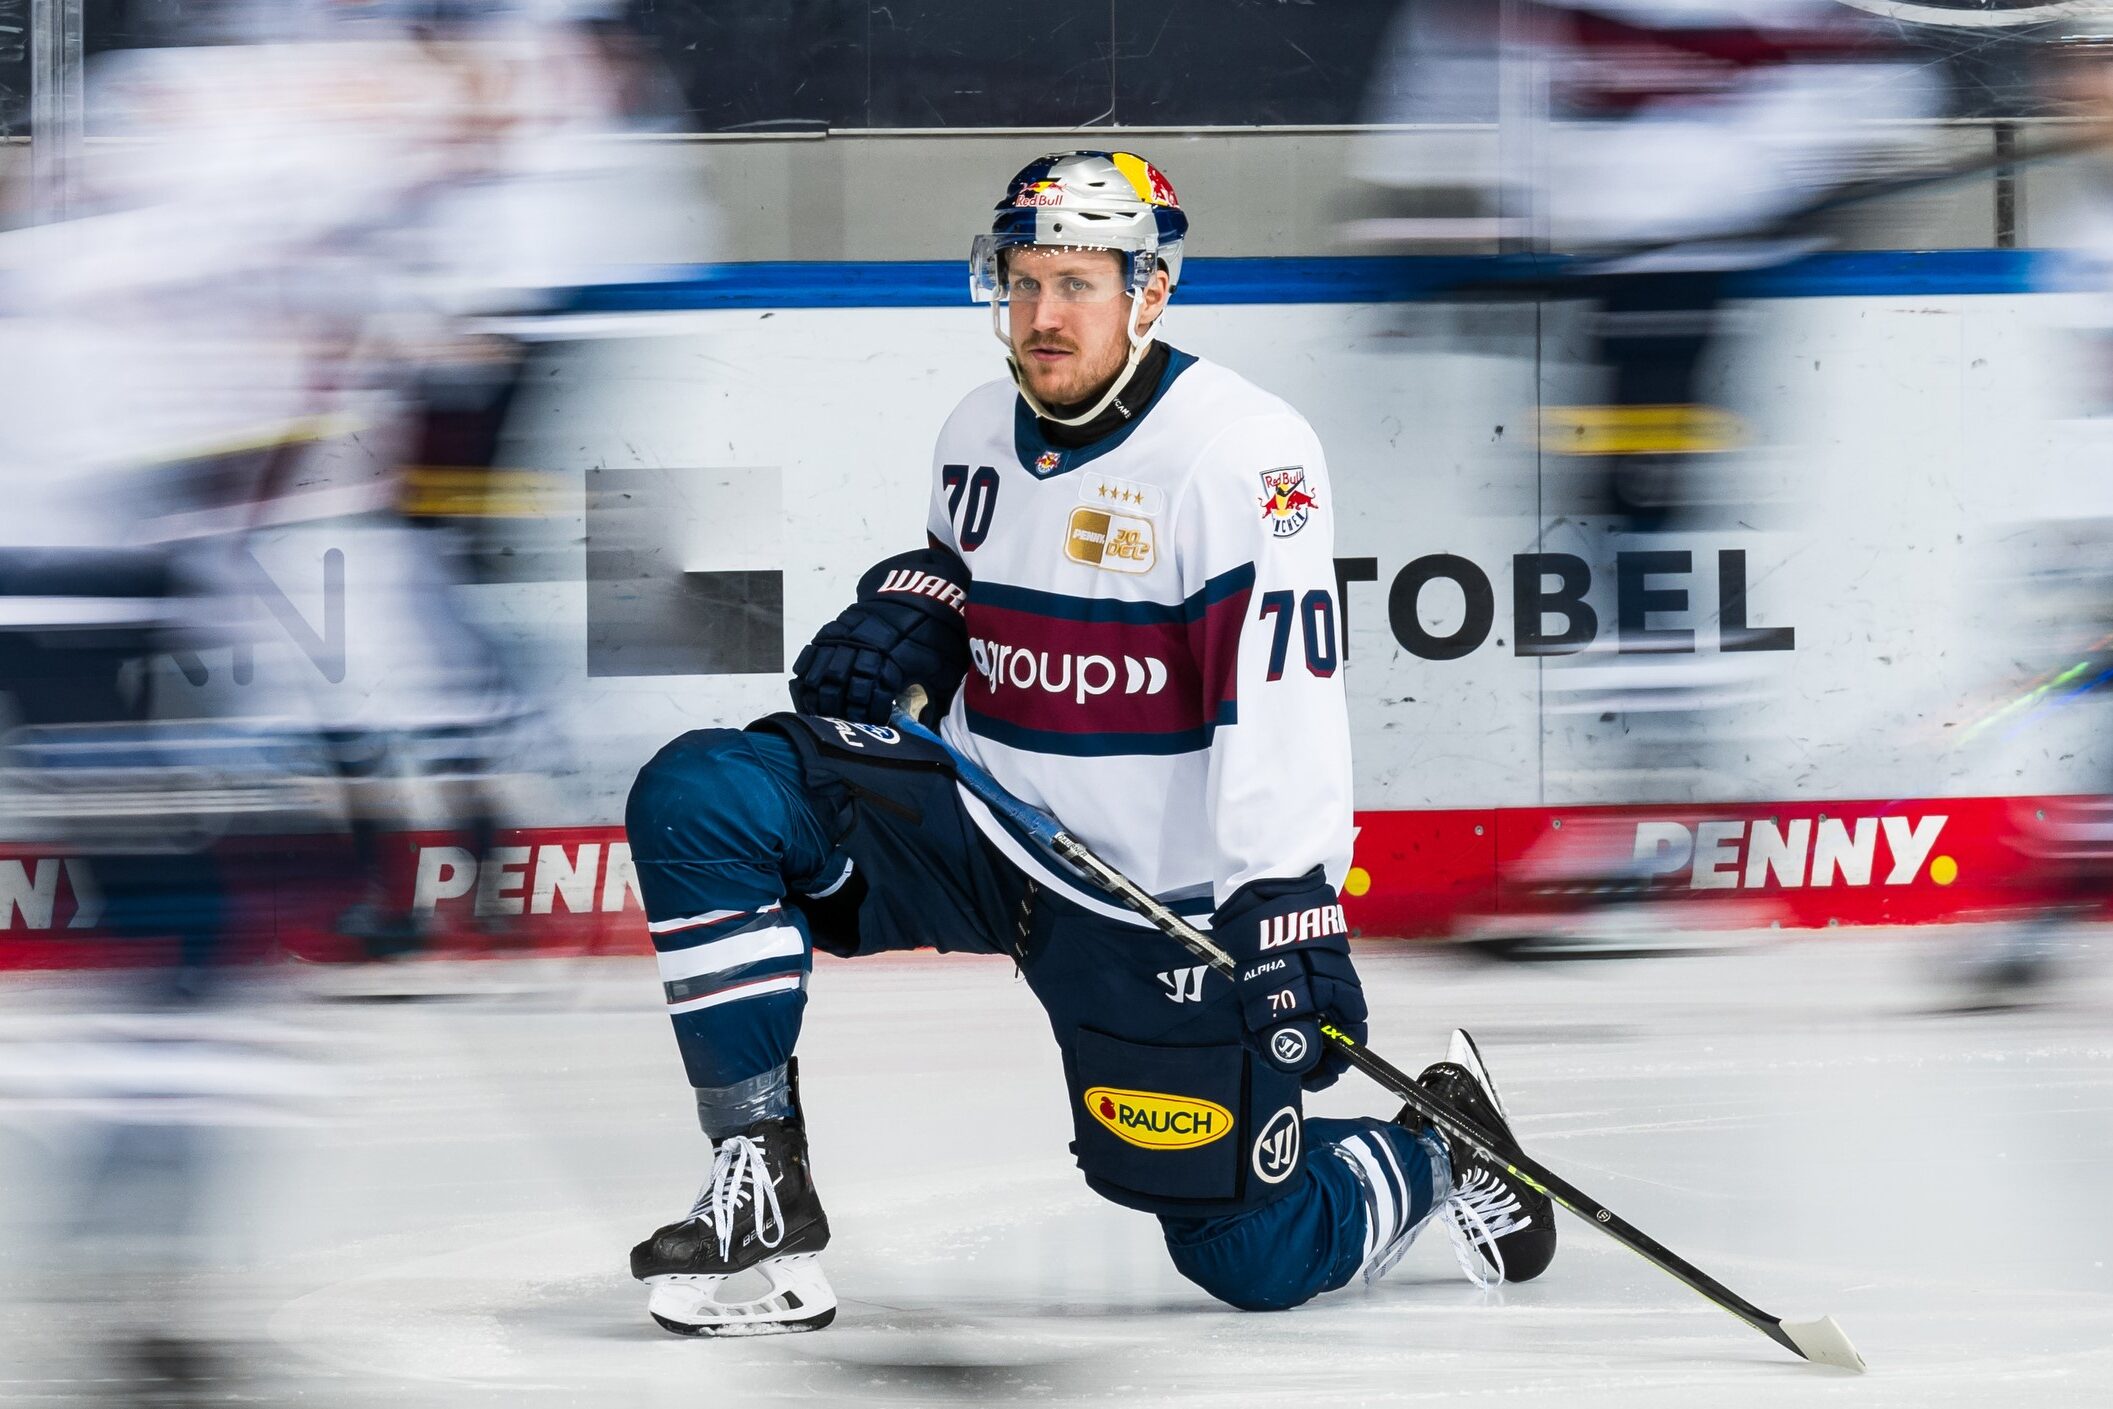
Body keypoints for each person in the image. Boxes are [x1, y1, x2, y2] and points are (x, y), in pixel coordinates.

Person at [623, 151, 1558, 1337]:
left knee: (1247, 1249)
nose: (1042, 316)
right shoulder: (976, 425)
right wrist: (915, 616)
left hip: (1144, 901)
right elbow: (959, 575)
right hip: (979, 824)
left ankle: (1438, 1146)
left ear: (1149, 291)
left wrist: (1287, 898)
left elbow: (1282, 693)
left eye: (1075, 283)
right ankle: (759, 1179)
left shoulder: (1239, 452)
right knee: (706, 795)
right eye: (1021, 282)